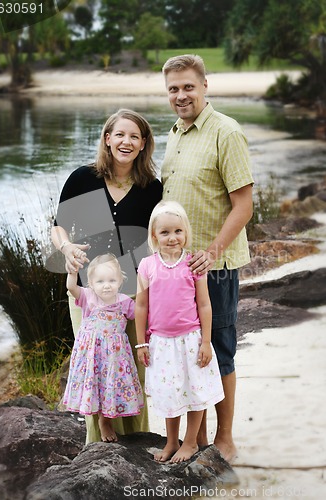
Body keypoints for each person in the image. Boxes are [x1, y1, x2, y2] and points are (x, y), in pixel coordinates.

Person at [161, 54, 254, 463]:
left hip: (213, 270)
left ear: (204, 85)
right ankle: (191, 438)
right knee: (185, 352)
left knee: (219, 349)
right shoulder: (174, 133)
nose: (181, 95)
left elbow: (244, 206)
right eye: (173, 89)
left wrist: (212, 252)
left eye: (188, 87)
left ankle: (226, 438)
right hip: (175, 271)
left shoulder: (226, 132)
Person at [50, 109, 163, 443]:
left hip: (132, 296)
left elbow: (156, 240)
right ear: (107, 138)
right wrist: (67, 247)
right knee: (93, 368)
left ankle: (136, 444)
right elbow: (58, 227)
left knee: (132, 371)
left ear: (143, 144)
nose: (126, 141)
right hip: (87, 293)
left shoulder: (151, 188)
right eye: (120, 134)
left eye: (134, 136)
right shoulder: (83, 178)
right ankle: (95, 446)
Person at [135, 201, 224, 463]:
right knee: (168, 391)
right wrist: (141, 343)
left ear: (186, 232)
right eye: (164, 232)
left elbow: (204, 304)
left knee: (195, 390)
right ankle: (171, 441)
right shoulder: (147, 265)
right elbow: (141, 306)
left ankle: (191, 441)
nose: (172, 238)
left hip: (191, 340)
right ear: (154, 236)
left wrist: (206, 342)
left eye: (177, 231)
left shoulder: (193, 264)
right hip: (161, 342)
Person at [63, 254, 144, 443]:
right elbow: (70, 287)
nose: (106, 285)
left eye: (111, 280)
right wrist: (72, 273)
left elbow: (141, 315)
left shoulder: (124, 301)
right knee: (95, 387)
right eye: (100, 281)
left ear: (120, 281)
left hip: (114, 358)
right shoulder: (88, 297)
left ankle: (108, 420)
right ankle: (101, 421)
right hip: (92, 356)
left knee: (110, 388)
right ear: (90, 283)